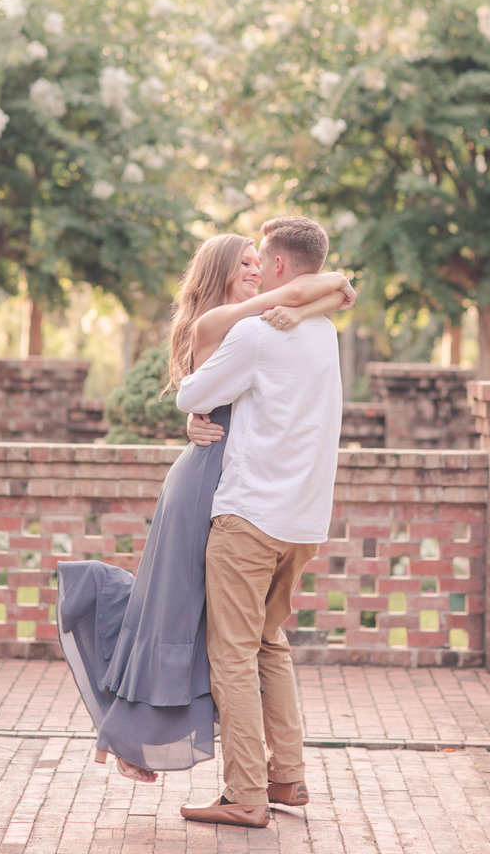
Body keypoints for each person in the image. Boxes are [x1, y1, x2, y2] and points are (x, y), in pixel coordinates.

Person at [55, 231, 354, 783]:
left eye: (259, 262)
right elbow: (194, 393)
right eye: (243, 264)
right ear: (220, 273)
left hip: (242, 493)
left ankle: (260, 781)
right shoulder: (238, 325)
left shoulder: (276, 324)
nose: (255, 271)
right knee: (174, 615)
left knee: (226, 637)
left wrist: (310, 299)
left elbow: (328, 290)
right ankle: (140, 741)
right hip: (211, 485)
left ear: (278, 264)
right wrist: (310, 295)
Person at [175, 216, 344, 829]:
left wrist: (192, 411)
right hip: (303, 523)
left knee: (232, 657)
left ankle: (245, 795)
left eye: (260, 260)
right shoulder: (323, 330)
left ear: (276, 267)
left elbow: (191, 395)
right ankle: (287, 778)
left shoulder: (255, 332)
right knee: (270, 644)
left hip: (249, 518)